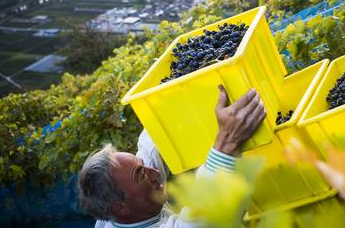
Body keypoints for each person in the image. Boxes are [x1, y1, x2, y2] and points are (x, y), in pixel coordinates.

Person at [78, 85, 266, 228]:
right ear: (120, 208)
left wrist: (172, 94)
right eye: (141, 175)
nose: (154, 173)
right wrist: (226, 142)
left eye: (143, 166)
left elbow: (150, 148)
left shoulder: (119, 216)